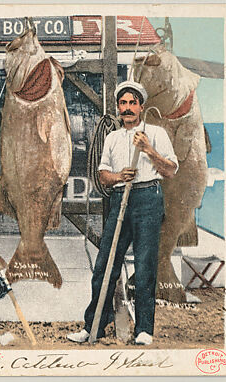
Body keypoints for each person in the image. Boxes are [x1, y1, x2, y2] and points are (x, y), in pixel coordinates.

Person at [67, 81, 178, 345]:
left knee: (144, 267)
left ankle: (143, 330)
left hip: (148, 198)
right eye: (123, 103)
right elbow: (103, 175)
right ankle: (93, 325)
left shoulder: (156, 133)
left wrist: (149, 150)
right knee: (104, 266)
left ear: (141, 107)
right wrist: (119, 176)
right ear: (118, 107)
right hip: (120, 199)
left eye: (132, 103)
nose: (127, 108)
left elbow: (171, 170)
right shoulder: (112, 137)